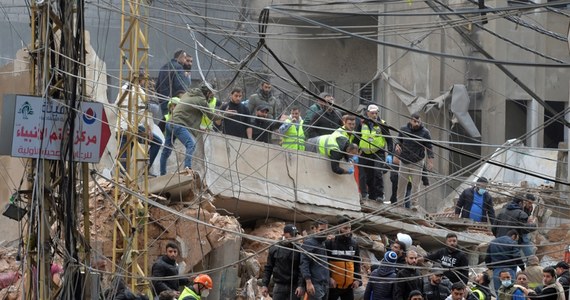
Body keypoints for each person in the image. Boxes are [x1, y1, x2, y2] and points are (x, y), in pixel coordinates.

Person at [159, 84, 216, 175]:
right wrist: (227, 114)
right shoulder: (201, 100)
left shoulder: (188, 94)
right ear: (208, 93)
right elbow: (212, 117)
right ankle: (187, 167)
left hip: (170, 123)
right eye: (211, 95)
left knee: (166, 151)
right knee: (191, 145)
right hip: (178, 125)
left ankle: (162, 173)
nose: (211, 97)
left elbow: (188, 112)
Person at [116, 71, 164, 175]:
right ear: (141, 80)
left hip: (120, 127)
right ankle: (145, 170)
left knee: (125, 157)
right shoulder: (139, 91)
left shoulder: (123, 88)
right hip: (133, 127)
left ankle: (122, 180)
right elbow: (143, 111)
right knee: (157, 142)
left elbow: (117, 104)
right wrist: (148, 128)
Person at [395, 113, 434, 210]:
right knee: (401, 184)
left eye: (418, 121)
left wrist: (430, 161)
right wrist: (396, 146)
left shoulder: (425, 132)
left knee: (416, 185)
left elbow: (429, 147)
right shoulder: (403, 129)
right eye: (414, 121)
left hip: (417, 162)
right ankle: (399, 204)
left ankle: (414, 204)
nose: (417, 123)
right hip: (404, 161)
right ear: (410, 120)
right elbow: (398, 140)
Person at [355, 104, 393, 202]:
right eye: (372, 113)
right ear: (367, 113)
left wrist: (389, 154)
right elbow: (356, 138)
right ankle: (364, 194)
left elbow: (389, 140)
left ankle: (379, 195)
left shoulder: (382, 124)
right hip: (364, 153)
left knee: (377, 173)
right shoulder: (362, 123)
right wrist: (354, 152)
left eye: (376, 113)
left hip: (378, 152)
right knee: (364, 175)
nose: (374, 115)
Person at [261, 224, 304, 300]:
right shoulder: (275, 248)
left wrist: (300, 285)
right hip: (279, 286)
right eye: (291, 234)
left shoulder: (299, 249)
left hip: (294, 287)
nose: (293, 236)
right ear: (284, 234)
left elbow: (302, 269)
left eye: (295, 234)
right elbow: (268, 268)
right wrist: (264, 285)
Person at [325, 217, 361, 300]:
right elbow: (325, 262)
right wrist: (329, 278)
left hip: (349, 287)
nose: (348, 230)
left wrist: (357, 279)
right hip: (333, 286)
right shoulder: (330, 242)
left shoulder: (354, 244)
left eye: (349, 228)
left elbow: (357, 262)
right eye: (345, 228)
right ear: (338, 228)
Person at [485, 230, 524, 296]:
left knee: (499, 294)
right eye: (516, 239)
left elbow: (487, 258)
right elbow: (517, 257)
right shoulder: (512, 242)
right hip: (509, 271)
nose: (516, 241)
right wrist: (522, 268)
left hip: (496, 271)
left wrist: (490, 267)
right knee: (511, 293)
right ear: (514, 236)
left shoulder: (493, 242)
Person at [300, 219, 330, 300]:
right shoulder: (309, 243)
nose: (324, 232)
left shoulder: (323, 243)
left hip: (324, 284)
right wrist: (308, 282)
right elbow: (304, 264)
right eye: (321, 230)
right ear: (315, 229)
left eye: (326, 230)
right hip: (315, 284)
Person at [156, 50, 190, 115]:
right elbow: (180, 87)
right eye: (185, 58)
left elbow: (158, 86)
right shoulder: (179, 67)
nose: (185, 61)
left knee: (166, 120)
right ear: (180, 57)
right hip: (174, 103)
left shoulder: (163, 67)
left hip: (163, 101)